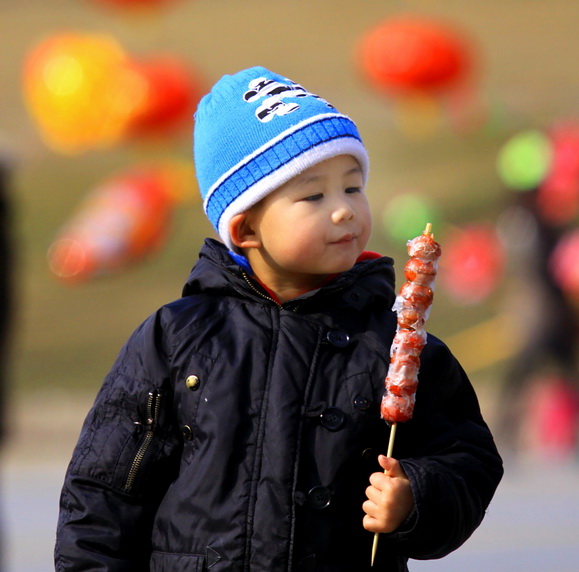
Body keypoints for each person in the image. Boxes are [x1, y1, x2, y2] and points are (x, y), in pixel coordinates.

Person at [55, 66, 503, 571]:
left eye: (353, 188)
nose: (343, 211)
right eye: (314, 196)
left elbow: (468, 459)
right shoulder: (177, 338)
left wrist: (415, 497)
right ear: (245, 227)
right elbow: (104, 492)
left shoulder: (393, 343)